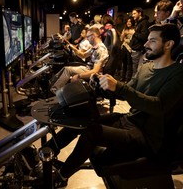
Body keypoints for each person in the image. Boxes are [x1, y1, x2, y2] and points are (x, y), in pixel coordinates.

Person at [46, 23, 183, 188]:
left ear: (168, 45)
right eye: (147, 40)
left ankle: (61, 176)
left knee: (93, 133)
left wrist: (119, 86)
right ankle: (44, 153)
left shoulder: (178, 74)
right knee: (82, 119)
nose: (146, 45)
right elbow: (126, 92)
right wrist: (101, 86)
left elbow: (158, 106)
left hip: (148, 136)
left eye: (152, 41)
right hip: (130, 120)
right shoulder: (146, 67)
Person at [50, 27, 109, 93]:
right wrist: (72, 47)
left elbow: (95, 71)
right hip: (87, 68)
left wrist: (78, 76)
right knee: (66, 69)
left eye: (88, 37)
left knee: (67, 70)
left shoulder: (100, 50)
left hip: (92, 73)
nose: (87, 39)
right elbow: (83, 55)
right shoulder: (95, 47)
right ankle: (52, 85)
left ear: (93, 36)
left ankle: (54, 90)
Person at [129, 7, 150, 77]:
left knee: (136, 71)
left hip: (138, 50)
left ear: (140, 13)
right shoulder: (138, 23)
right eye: (132, 14)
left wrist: (134, 33)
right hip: (135, 49)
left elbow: (144, 37)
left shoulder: (144, 23)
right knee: (134, 70)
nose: (133, 15)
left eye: (134, 13)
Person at [120, 17, 135, 82]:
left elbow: (132, 40)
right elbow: (121, 39)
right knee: (124, 63)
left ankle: (128, 79)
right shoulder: (125, 29)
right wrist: (124, 34)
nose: (128, 23)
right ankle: (123, 77)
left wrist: (126, 39)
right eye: (127, 21)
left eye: (130, 21)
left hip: (130, 48)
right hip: (124, 47)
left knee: (129, 64)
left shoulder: (135, 29)